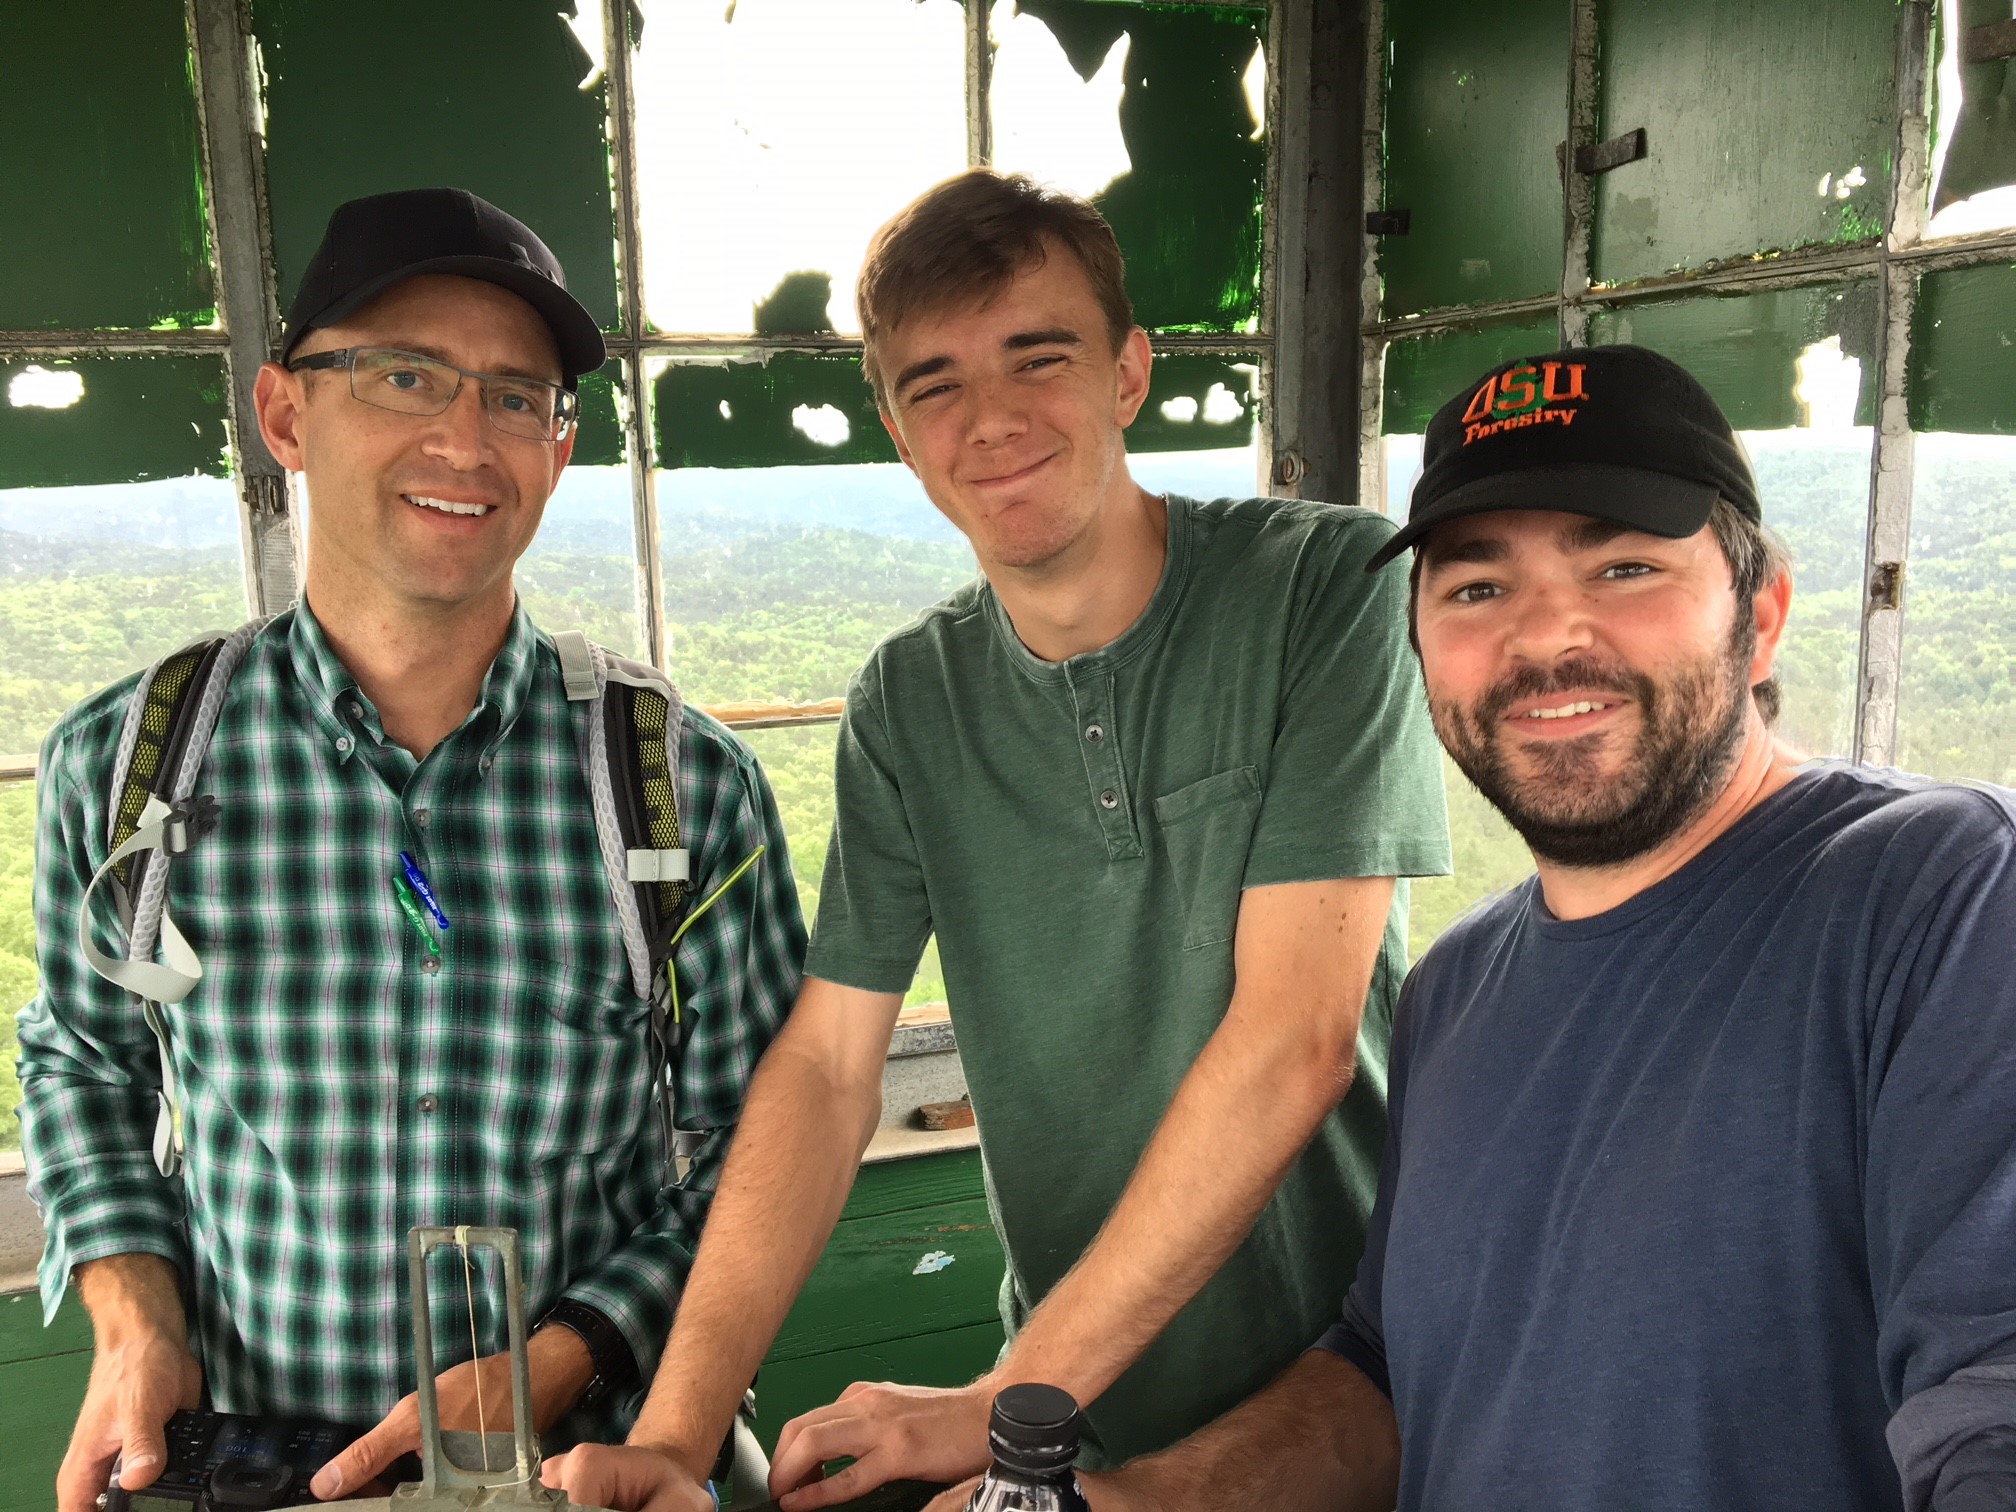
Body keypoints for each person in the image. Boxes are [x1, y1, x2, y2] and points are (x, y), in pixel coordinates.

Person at [543, 169, 1449, 1512]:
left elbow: (1294, 1041)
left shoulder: (1329, 588)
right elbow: (830, 1067)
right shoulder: (910, 702)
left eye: (1042, 357)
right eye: (936, 385)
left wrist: (998, 1403)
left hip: (1369, 1386)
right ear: (899, 434)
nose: (994, 420)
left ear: (1130, 372)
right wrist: (677, 1435)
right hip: (1078, 1431)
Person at [1023, 343, 2016, 1512]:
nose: (1546, 640)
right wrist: (1135, 1502)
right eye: (1478, 588)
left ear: (1761, 616)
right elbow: (1388, 1381)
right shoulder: (1459, 987)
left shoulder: (1942, 899)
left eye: (1625, 568)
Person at [17, 188, 806, 1512]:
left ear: (559, 451)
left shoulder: (673, 785)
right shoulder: (131, 763)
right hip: (250, 1454)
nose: (465, 437)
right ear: (284, 416)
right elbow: (84, 1063)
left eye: (517, 397)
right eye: (403, 375)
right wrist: (133, 1319)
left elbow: (769, 1142)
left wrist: (565, 1353)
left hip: (588, 1458)